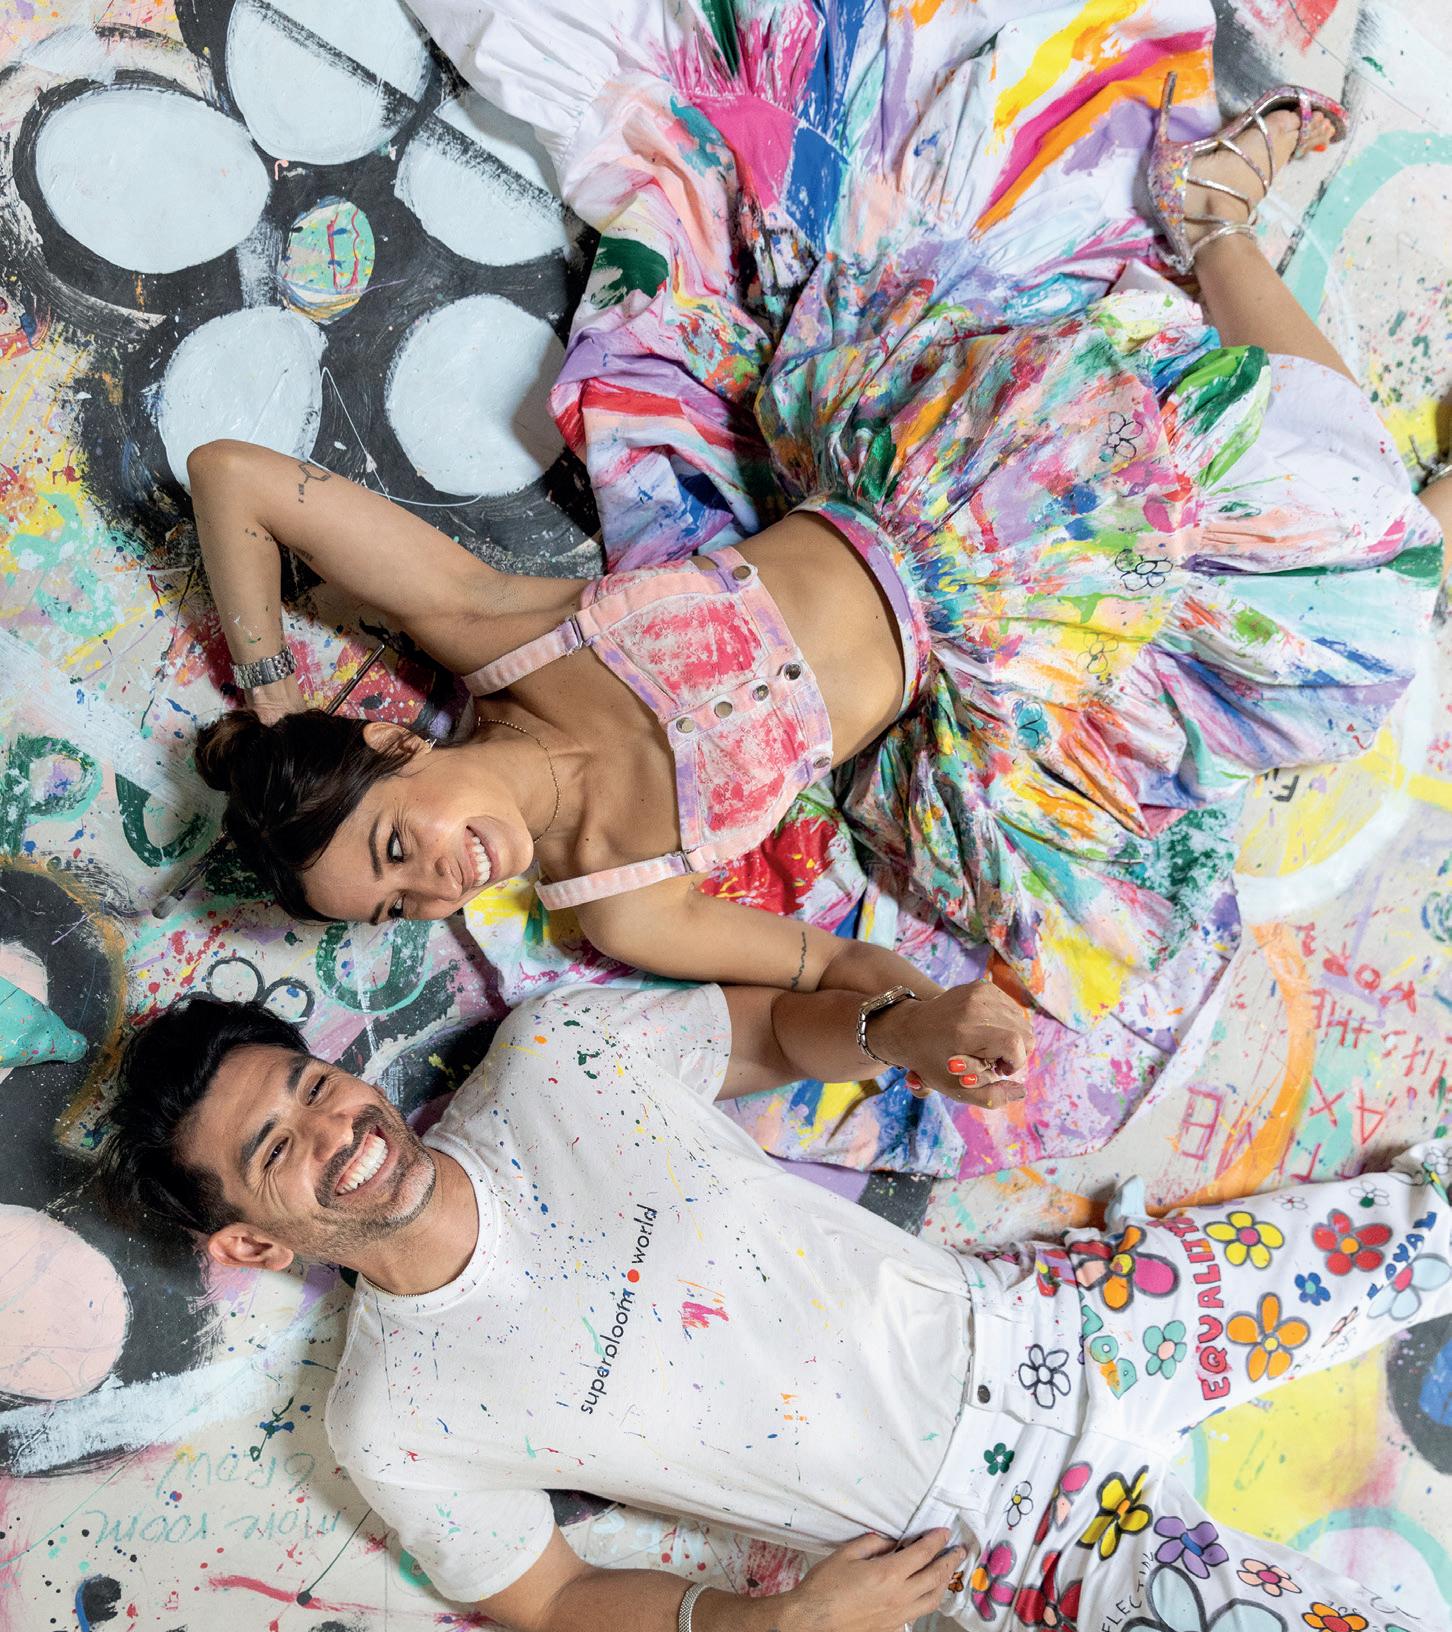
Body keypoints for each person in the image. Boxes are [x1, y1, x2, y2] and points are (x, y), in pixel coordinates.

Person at [186, 59, 1452, 1045]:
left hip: (946, 502)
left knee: (1346, 544)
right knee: (1342, 617)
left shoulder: (499, 634)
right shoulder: (620, 902)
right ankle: (1225, 231)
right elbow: (836, 969)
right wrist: (928, 1025)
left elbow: (233, 478)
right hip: (989, 673)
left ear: (401, 747)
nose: (439, 887)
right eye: (400, 909)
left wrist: (272, 688)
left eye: (396, 849)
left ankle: (1220, 230)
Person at [101, 982, 1452, 1632]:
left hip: (1063, 1322)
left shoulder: (553, 1056)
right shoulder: (389, 1417)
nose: (334, 1129)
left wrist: (899, 1029)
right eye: (274, 1149)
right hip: (1021, 1550)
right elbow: (546, 1592)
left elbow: (751, 1032)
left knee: (1429, 1227)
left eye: (311, 1085)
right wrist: (777, 1626)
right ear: (253, 1242)